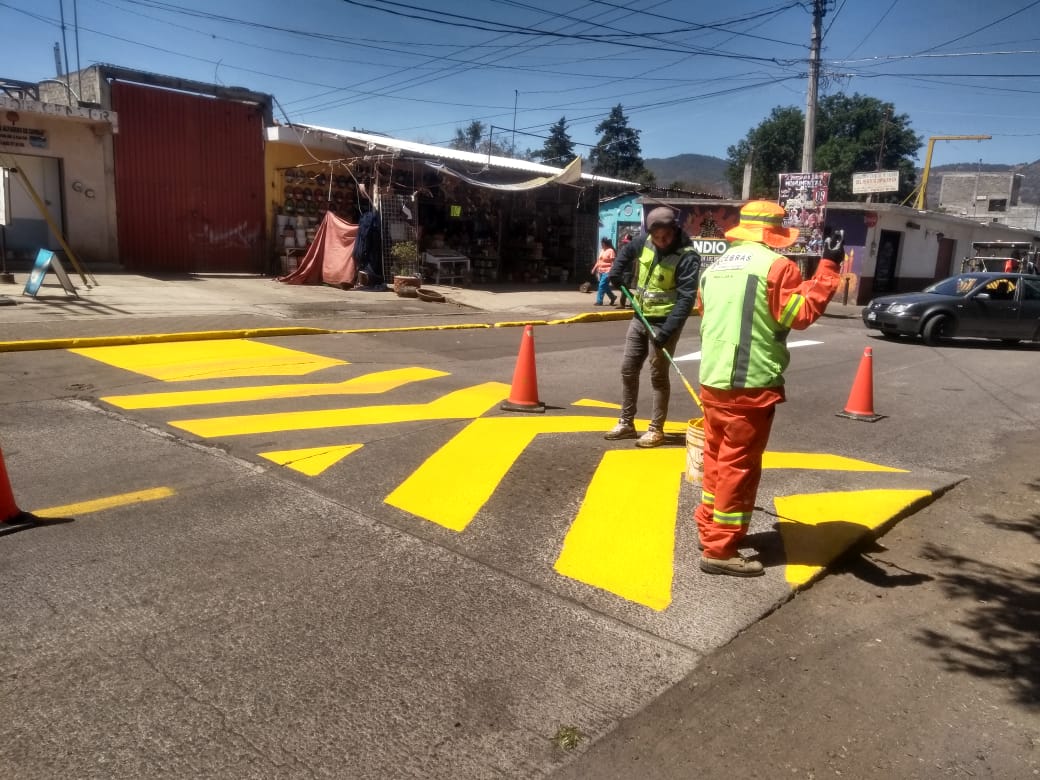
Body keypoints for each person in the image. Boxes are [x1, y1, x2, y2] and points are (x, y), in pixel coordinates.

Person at [694, 201, 842, 577]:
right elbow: (800, 314)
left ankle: (710, 530)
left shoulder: (715, 268)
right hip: (751, 384)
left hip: (713, 381)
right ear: (774, 234)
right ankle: (720, 549)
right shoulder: (778, 267)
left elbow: (705, 310)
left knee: (716, 461)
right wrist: (828, 268)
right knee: (738, 466)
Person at [604, 207, 701, 448]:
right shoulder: (645, 241)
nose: (661, 242)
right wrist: (617, 271)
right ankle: (626, 423)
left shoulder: (687, 256)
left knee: (658, 376)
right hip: (640, 315)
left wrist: (666, 331)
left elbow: (687, 299)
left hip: (665, 322)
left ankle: (656, 428)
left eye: (666, 237)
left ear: (674, 230)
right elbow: (626, 252)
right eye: (656, 237)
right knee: (628, 369)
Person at [591, 238, 618, 306]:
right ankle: (613, 297)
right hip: (601, 271)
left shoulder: (611, 251)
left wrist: (612, 271)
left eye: (603, 244)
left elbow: (613, 262)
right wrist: (594, 269)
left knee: (601, 285)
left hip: (607, 271)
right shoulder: (602, 250)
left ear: (606, 244)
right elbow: (599, 261)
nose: (602, 245)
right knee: (605, 286)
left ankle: (599, 301)